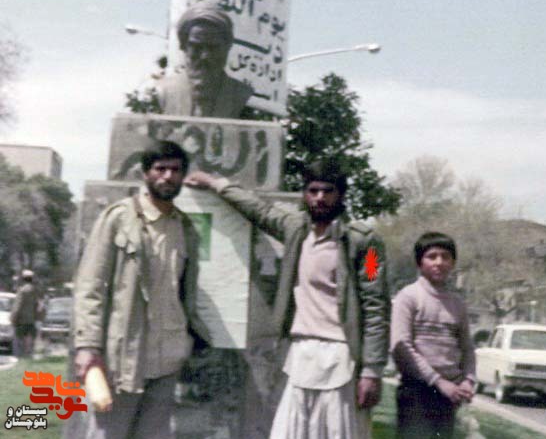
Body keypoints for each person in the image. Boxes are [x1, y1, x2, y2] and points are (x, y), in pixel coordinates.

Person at [184, 158, 389, 439]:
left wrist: (372, 371)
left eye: (328, 191)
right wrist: (214, 183)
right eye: (313, 190)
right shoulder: (296, 230)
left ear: (340, 195)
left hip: (342, 358)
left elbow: (376, 306)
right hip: (301, 354)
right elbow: (257, 209)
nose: (319, 198)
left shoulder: (367, 244)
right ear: (304, 194)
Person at [73, 140, 211, 439]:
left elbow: (184, 292)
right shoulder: (118, 218)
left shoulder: (185, 227)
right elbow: (90, 286)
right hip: (122, 359)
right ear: (146, 173)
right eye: (160, 169)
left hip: (167, 359)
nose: (167, 176)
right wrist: (87, 346)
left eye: (175, 170)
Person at [390, 232, 476, 438]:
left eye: (445, 256)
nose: (439, 262)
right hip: (417, 391)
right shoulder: (408, 297)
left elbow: (467, 348)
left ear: (453, 262)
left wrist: (468, 380)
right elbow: (401, 347)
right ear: (420, 262)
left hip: (449, 395)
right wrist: (438, 382)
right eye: (432, 256)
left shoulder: (457, 304)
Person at [158, 3, 254, 119]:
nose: (205, 56)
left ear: (227, 47)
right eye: (197, 47)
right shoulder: (161, 93)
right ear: (183, 46)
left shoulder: (243, 97)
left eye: (213, 48)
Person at [11, 269, 39, 357]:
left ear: (23, 279)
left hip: (21, 321)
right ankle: (28, 357)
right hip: (32, 320)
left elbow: (17, 306)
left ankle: (19, 358)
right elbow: (37, 305)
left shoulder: (22, 291)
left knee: (18, 342)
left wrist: (13, 318)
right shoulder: (35, 291)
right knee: (29, 343)